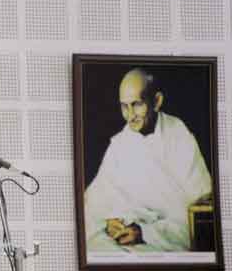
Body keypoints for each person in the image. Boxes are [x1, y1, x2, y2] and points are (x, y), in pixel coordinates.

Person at [84, 68, 212, 252]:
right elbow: (96, 202)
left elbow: (198, 211)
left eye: (136, 104)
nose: (130, 115)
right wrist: (110, 221)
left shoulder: (178, 135)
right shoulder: (120, 143)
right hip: (125, 237)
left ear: (157, 101)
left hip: (164, 238)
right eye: (124, 106)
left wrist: (145, 233)